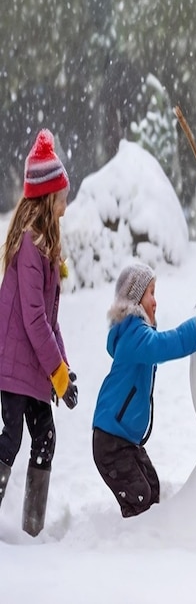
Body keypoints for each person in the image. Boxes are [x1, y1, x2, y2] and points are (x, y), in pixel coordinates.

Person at [0, 128, 78, 537]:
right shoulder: (31, 244)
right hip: (15, 364)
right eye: (63, 192)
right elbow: (33, 321)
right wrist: (58, 377)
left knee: (44, 437)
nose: (67, 199)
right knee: (13, 437)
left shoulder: (45, 242)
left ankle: (31, 530)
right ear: (50, 196)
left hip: (32, 365)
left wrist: (63, 369)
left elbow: (51, 319)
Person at [92, 262, 196, 518]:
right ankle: (130, 544)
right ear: (135, 299)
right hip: (111, 441)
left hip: (125, 441)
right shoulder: (134, 334)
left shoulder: (136, 334)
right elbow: (162, 345)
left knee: (152, 489)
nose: (155, 301)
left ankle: (141, 533)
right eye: (151, 293)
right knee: (141, 497)